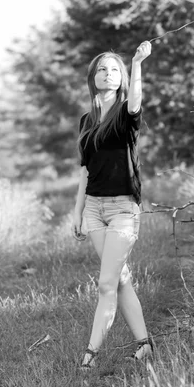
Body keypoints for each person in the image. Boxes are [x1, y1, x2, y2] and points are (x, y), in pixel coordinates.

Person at [72, 41, 153, 369]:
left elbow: (136, 101)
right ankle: (145, 344)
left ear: (122, 77)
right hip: (94, 209)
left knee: (106, 283)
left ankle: (89, 357)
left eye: (115, 70)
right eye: (103, 69)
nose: (109, 74)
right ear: (93, 77)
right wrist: (77, 212)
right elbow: (85, 170)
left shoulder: (126, 114)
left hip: (123, 209)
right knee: (118, 279)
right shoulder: (86, 120)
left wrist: (136, 64)